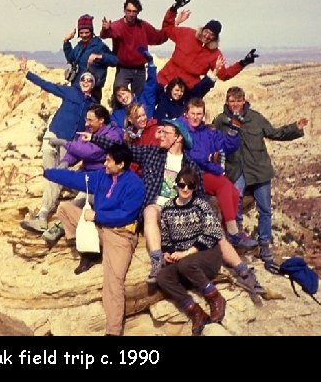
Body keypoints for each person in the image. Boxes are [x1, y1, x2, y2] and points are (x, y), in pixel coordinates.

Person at [84, 119, 266, 294]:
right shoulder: (151, 154)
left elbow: (199, 195)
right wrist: (93, 138)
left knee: (216, 232)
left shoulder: (191, 165)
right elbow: (123, 149)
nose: (160, 135)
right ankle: (157, 262)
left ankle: (244, 272)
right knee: (149, 211)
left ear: (178, 137)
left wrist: (204, 219)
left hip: (181, 211)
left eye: (165, 132)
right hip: (157, 207)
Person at [44, 144, 145, 336]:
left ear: (121, 164)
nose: (105, 163)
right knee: (64, 209)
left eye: (108, 161)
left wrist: (97, 215)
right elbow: (75, 178)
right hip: (98, 228)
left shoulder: (135, 185)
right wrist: (49, 173)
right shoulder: (101, 176)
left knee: (113, 282)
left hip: (120, 234)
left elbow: (125, 215)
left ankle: (113, 332)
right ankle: (89, 252)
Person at [212, 86, 308, 266]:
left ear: (244, 101)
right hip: (236, 170)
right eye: (232, 101)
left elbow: (275, 133)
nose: (235, 104)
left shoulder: (255, 118)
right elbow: (211, 140)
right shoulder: (221, 120)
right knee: (234, 202)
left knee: (265, 209)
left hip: (259, 169)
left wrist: (295, 128)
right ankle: (238, 238)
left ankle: (264, 245)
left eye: (238, 101)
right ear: (227, 102)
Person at [18, 59, 97, 233]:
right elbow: (48, 86)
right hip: (54, 133)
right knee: (50, 161)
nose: (85, 82)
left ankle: (43, 215)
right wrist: (27, 73)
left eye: (89, 80)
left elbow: (96, 123)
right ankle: (48, 202)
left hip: (68, 143)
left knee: (56, 177)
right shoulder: (70, 92)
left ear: (93, 84)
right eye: (83, 79)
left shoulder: (93, 103)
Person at [35, 104, 123, 245]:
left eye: (90, 120)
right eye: (86, 120)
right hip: (84, 173)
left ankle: (60, 226)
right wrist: (65, 162)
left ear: (101, 120)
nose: (86, 123)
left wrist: (64, 143)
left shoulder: (112, 134)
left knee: (84, 196)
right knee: (59, 175)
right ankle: (43, 213)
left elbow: (91, 152)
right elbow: (77, 149)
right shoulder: (89, 130)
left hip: (99, 179)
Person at [180, 98, 258, 250]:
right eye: (193, 113)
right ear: (186, 114)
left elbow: (226, 147)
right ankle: (234, 233)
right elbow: (193, 155)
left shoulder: (207, 131)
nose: (196, 117)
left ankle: (228, 231)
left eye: (199, 114)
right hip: (194, 173)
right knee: (222, 185)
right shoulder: (183, 131)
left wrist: (233, 131)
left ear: (203, 114)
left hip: (210, 171)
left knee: (234, 193)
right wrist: (209, 158)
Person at [157, 166, 227, 335]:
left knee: (185, 264)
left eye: (190, 186)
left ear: (195, 187)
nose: (186, 189)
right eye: (182, 185)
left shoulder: (200, 205)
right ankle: (196, 312)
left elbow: (214, 232)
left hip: (208, 254)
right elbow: (166, 238)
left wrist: (188, 252)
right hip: (185, 260)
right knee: (162, 277)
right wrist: (167, 252)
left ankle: (214, 297)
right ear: (176, 186)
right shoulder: (167, 208)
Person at [156, 0, 259, 93]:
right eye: (206, 31)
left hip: (184, 91)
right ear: (202, 30)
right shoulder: (187, 34)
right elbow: (167, 29)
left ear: (215, 38)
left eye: (211, 35)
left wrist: (243, 63)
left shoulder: (215, 54)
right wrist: (173, 9)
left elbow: (224, 75)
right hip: (164, 79)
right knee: (146, 107)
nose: (207, 36)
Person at [100, 0, 167, 99]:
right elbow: (107, 34)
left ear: (138, 12)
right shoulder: (118, 25)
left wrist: (172, 26)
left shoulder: (143, 26)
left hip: (140, 70)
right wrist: (106, 29)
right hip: (123, 69)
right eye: (129, 11)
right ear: (124, 11)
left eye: (134, 11)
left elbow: (158, 37)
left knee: (139, 100)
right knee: (118, 96)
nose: (131, 14)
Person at [63, 14, 118, 102]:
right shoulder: (79, 46)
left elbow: (115, 60)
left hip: (93, 90)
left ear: (91, 32)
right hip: (77, 88)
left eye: (87, 32)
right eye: (81, 33)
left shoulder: (99, 45)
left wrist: (99, 57)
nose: (84, 35)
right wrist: (66, 42)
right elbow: (71, 58)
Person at [110, 47, 157, 128]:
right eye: (119, 97)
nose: (123, 97)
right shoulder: (117, 115)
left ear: (130, 92)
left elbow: (151, 84)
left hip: (148, 135)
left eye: (124, 93)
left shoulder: (144, 100)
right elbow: (113, 129)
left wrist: (151, 63)